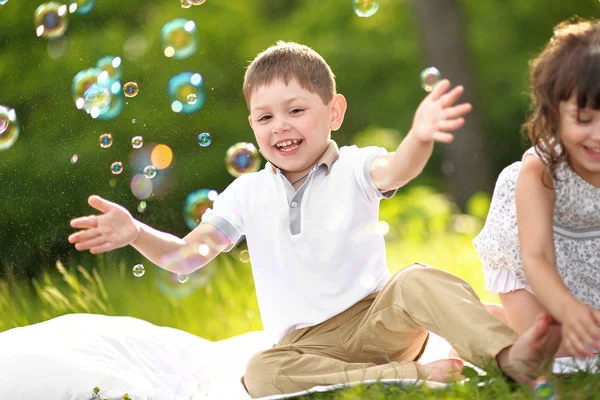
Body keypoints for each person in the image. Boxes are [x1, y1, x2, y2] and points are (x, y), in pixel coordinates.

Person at [69, 41, 560, 398]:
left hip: (378, 318)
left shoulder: (356, 166)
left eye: (296, 110)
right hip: (306, 345)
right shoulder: (246, 193)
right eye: (265, 118)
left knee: (418, 280)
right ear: (253, 128)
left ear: (334, 111)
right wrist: (135, 232)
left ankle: (507, 357)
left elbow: (399, 168)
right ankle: (408, 378)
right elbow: (185, 256)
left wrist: (421, 136)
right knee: (260, 373)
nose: (280, 125)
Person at [473, 19, 600, 360]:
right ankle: (488, 324)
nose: (598, 136)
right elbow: (537, 257)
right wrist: (569, 309)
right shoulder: (542, 169)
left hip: (589, 254)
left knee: (589, 350)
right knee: (546, 353)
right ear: (555, 113)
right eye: (584, 119)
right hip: (533, 249)